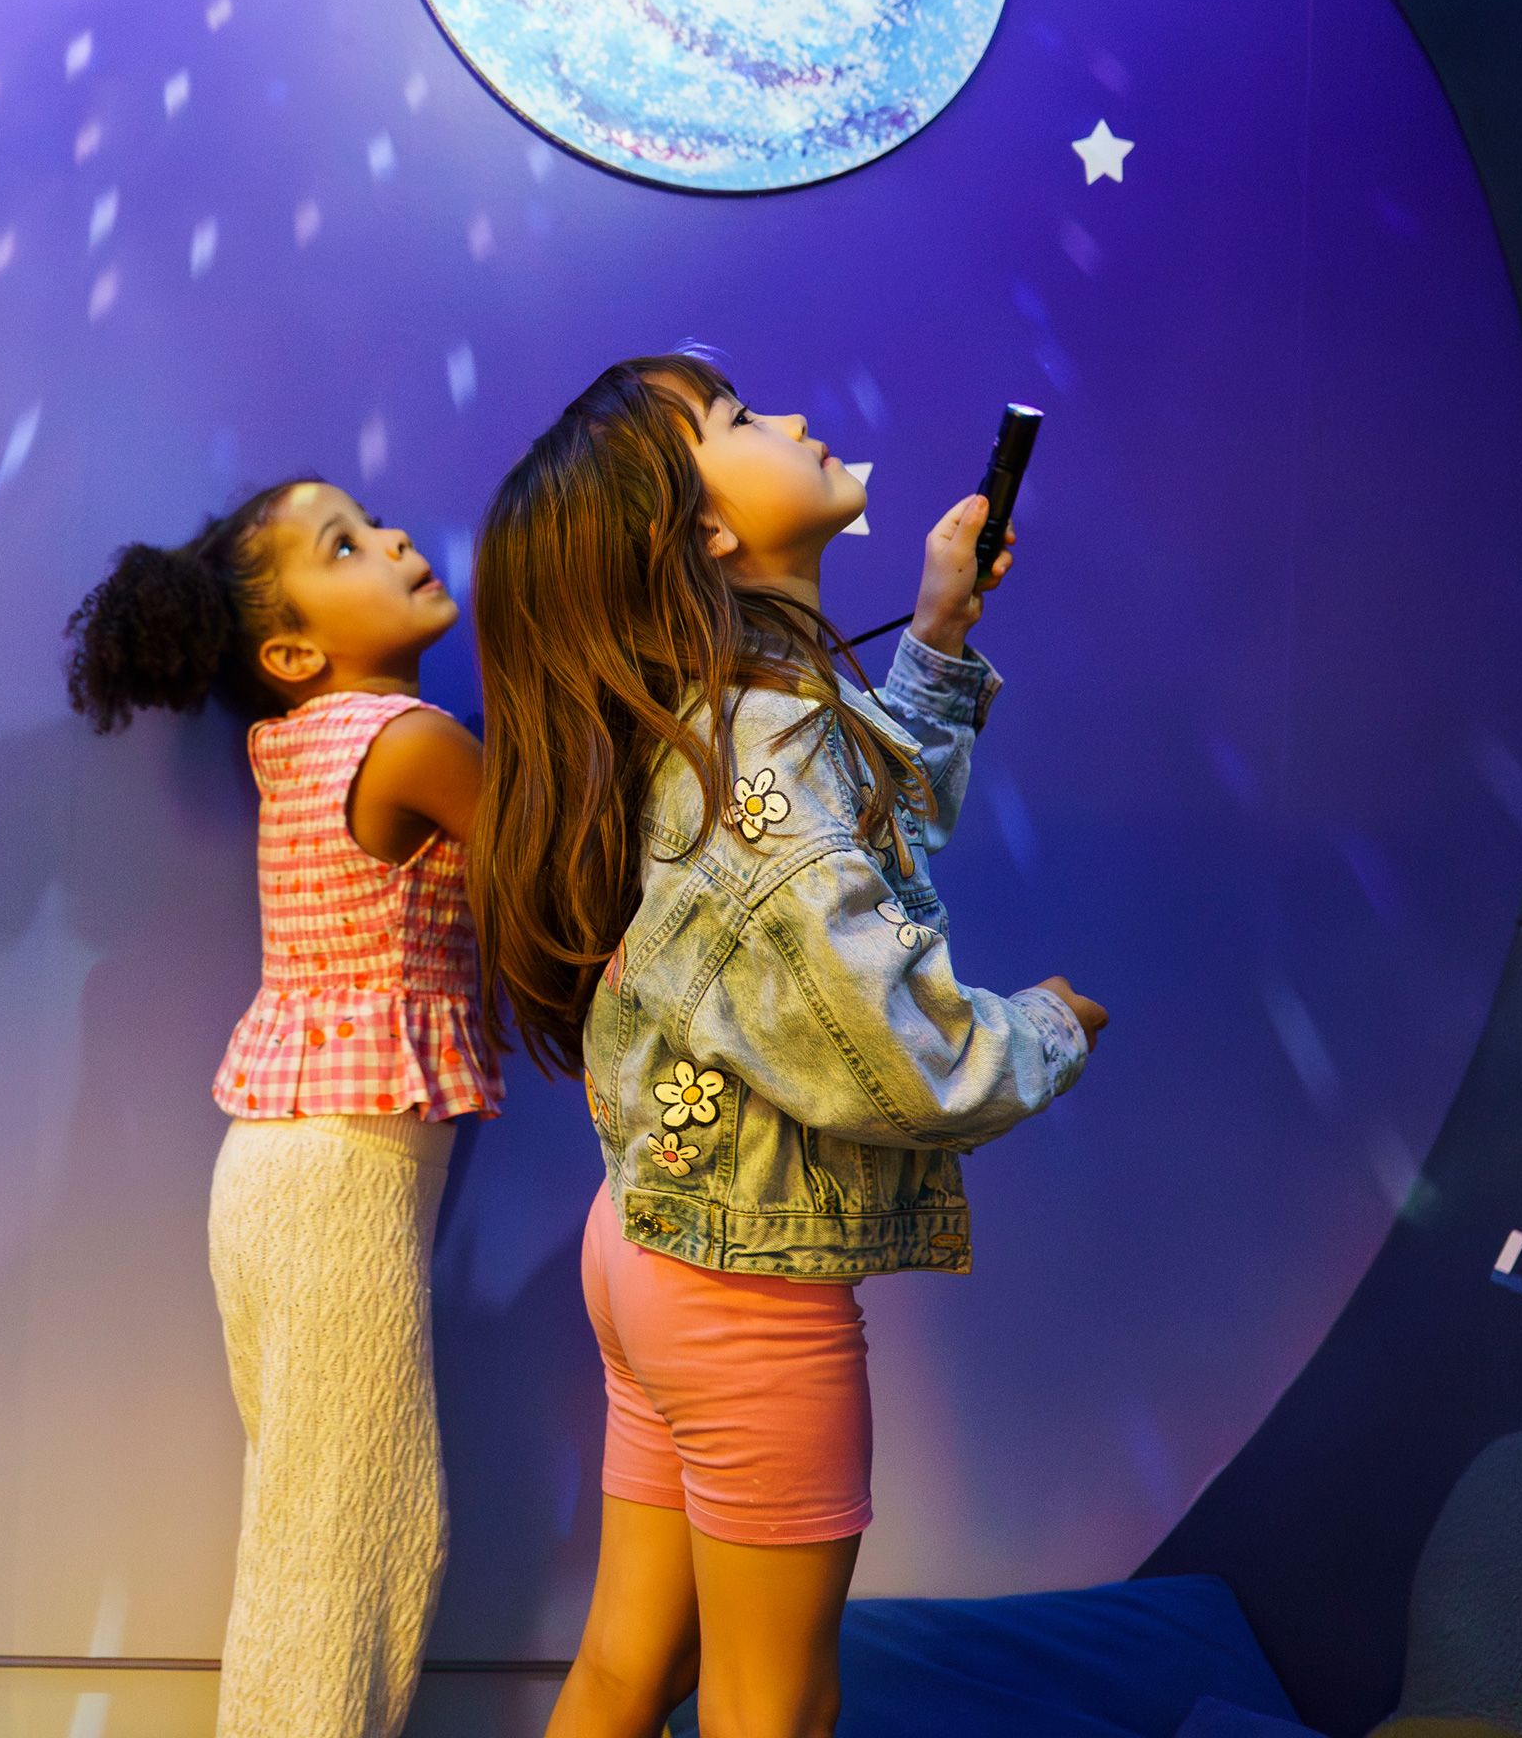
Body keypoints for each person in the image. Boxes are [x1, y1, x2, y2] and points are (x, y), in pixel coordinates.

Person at [469, 353, 1109, 1738]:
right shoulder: (763, 747)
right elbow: (895, 1055)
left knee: (632, 1666)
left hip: (647, 1242)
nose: (798, 418)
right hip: (742, 1287)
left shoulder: (724, 722)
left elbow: (868, 828)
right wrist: (1048, 1030)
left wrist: (935, 631)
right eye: (741, 420)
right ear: (703, 534)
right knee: (773, 1705)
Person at [65, 477, 501, 1738]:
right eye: (349, 544)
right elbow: (562, 879)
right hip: (338, 1185)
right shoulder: (410, 742)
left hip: (279, 1178)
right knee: (359, 1539)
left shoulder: (298, 742)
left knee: (323, 1531)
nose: (401, 539)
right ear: (294, 648)